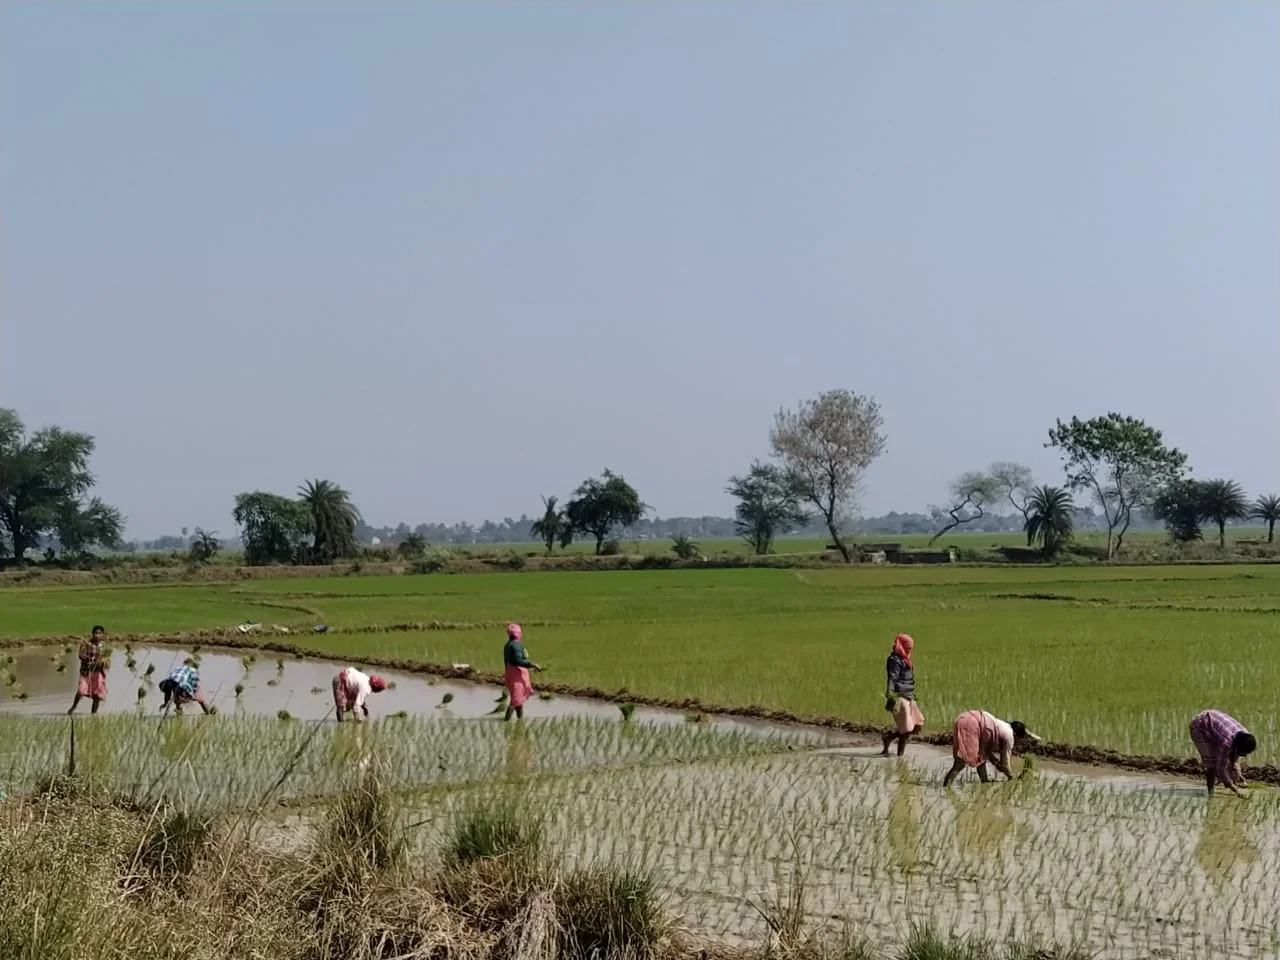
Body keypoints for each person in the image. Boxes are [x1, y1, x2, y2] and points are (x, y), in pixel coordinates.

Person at [943, 710, 1040, 787]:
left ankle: (984, 781)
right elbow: (1005, 764)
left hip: (966, 718)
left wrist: (996, 763)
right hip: (972, 725)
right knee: (960, 763)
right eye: (1019, 739)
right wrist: (1012, 777)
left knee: (981, 759)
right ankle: (946, 787)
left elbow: (986, 754)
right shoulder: (1009, 736)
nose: (1018, 742)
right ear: (1016, 734)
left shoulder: (1002, 726)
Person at [1189, 709, 1256, 798]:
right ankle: (1210, 794)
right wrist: (1236, 790)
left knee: (1228, 762)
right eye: (1242, 753)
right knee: (1212, 764)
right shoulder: (1226, 743)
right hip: (1200, 726)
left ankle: (1225, 780)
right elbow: (1220, 768)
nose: (1244, 755)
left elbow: (1235, 756)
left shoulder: (1245, 735)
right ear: (1237, 747)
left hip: (1214, 722)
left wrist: (1237, 770)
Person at [881, 633, 924, 756]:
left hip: (909, 695)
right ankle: (900, 756)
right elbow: (892, 678)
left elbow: (908, 679)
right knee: (906, 729)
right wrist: (890, 696)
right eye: (908, 646)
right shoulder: (894, 660)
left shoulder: (906, 660)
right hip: (899, 696)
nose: (910, 649)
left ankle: (888, 737)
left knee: (917, 725)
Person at [502, 623, 542, 722]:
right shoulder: (516, 645)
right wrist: (532, 664)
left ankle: (520, 721)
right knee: (515, 701)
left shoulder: (508, 645)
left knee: (518, 701)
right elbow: (518, 661)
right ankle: (506, 723)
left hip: (510, 674)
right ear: (518, 634)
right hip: (516, 676)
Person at [68, 625, 108, 716]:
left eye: (99, 633)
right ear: (92, 634)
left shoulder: (103, 645)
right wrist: (88, 659)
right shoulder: (86, 644)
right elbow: (80, 655)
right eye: (95, 633)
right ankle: (74, 706)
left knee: (97, 696)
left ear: (102, 635)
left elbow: (104, 657)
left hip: (98, 672)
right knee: (81, 691)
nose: (97, 635)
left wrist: (103, 662)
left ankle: (93, 715)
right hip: (86, 671)